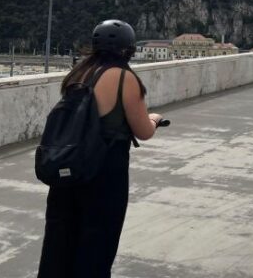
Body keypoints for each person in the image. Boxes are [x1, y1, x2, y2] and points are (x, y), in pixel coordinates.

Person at [38, 19, 163, 278]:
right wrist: (154, 119)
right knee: (96, 246)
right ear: (129, 49)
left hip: (68, 168)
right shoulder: (124, 77)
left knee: (59, 246)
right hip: (103, 175)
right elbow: (143, 131)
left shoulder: (78, 73)